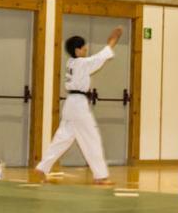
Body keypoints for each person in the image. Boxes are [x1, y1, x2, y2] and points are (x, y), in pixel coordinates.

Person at [35, 27, 123, 185]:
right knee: (91, 138)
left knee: (63, 137)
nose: (86, 49)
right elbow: (98, 59)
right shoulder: (81, 63)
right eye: (83, 47)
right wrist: (111, 43)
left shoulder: (71, 62)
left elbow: (94, 60)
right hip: (78, 106)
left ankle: (42, 167)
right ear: (77, 50)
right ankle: (101, 176)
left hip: (70, 104)